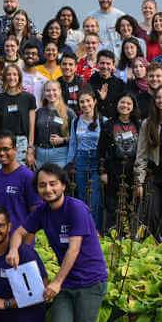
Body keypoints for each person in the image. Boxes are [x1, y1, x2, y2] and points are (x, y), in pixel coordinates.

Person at [7, 163, 115, 322]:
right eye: (42, 185)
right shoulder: (42, 212)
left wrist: (56, 281)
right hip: (68, 283)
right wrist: (14, 248)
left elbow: (74, 249)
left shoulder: (77, 209)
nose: (48, 189)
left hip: (90, 281)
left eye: (53, 183)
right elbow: (18, 232)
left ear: (63, 185)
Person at [0, 131, 42, 237]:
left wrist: (25, 248)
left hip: (18, 246)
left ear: (15, 150)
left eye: (6, 149)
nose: (1, 153)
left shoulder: (28, 177)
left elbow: (36, 217)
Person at [99, 93, 141, 233]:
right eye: (122, 102)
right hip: (113, 170)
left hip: (132, 171)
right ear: (117, 104)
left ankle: (128, 235)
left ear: (133, 107)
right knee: (112, 205)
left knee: (131, 205)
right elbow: (101, 150)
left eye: (129, 104)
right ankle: (113, 235)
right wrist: (102, 171)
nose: (125, 106)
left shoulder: (139, 125)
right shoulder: (108, 125)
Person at [67, 88, 104, 229]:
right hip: (81, 160)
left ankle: (97, 232)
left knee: (94, 199)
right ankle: (84, 231)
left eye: (88, 101)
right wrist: (70, 164)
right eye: (82, 102)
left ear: (94, 102)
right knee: (82, 199)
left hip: (96, 160)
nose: (85, 104)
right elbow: (73, 144)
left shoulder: (103, 120)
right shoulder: (76, 122)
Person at [0, 64, 37, 166]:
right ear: (5, 77)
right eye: (9, 74)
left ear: (19, 77)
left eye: (15, 74)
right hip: (2, 144)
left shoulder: (29, 98)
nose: (12, 77)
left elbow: (31, 126)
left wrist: (30, 149)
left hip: (22, 144)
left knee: (21, 178)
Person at [35, 80, 74, 167]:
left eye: (54, 90)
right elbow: (34, 135)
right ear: (44, 93)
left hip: (60, 155)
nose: (51, 93)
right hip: (40, 155)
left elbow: (77, 136)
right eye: (48, 90)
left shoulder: (69, 112)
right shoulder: (39, 112)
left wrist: (63, 140)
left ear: (60, 91)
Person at [87, 50, 127, 120]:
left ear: (113, 65)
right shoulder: (90, 83)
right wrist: (100, 99)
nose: (105, 66)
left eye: (108, 63)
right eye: (102, 63)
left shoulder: (120, 84)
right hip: (94, 121)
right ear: (97, 64)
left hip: (114, 122)